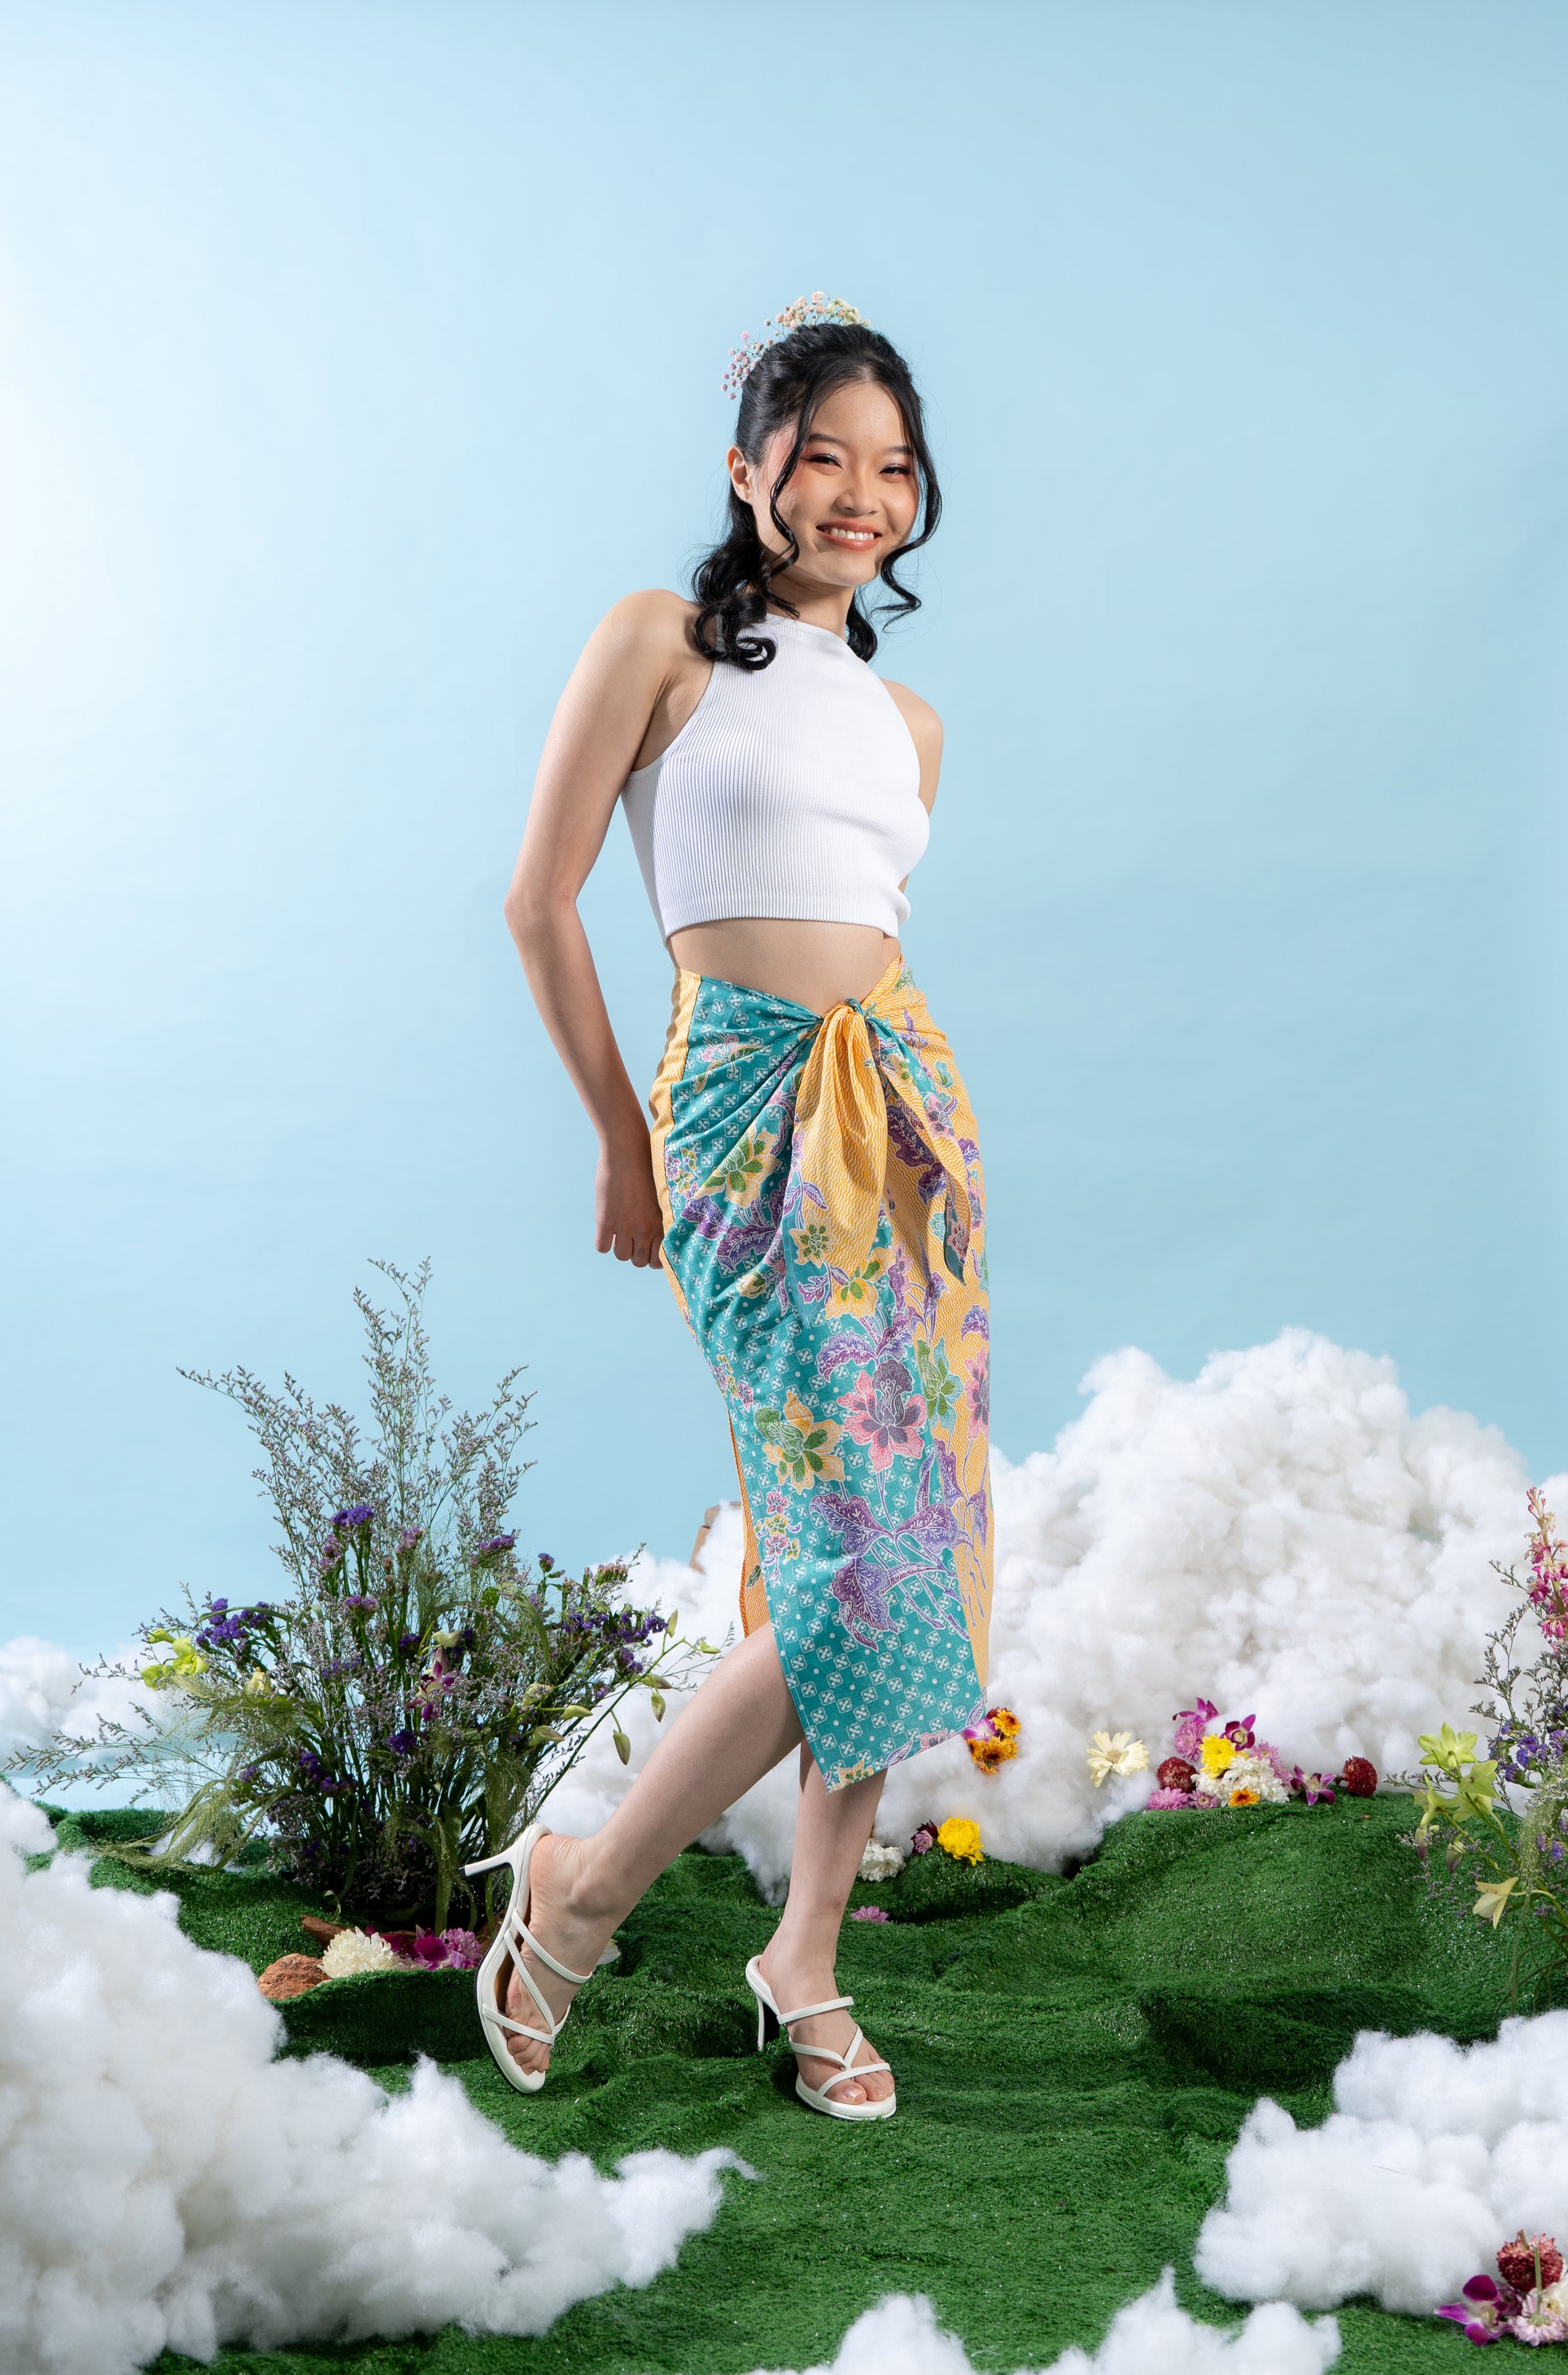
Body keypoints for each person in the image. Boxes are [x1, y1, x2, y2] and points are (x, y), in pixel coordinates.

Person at [487, 298, 991, 2120]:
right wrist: (619, 1141)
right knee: (862, 1561)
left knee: (871, 1549)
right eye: (823, 457)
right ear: (747, 469)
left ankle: (807, 1957)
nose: (861, 495)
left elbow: (875, 940)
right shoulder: (663, 641)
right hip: (736, 1114)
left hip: (896, 1121)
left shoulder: (910, 722)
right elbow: (539, 898)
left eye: (892, 466)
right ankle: (583, 1890)